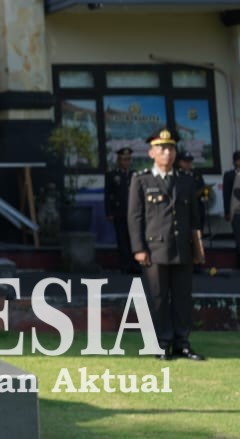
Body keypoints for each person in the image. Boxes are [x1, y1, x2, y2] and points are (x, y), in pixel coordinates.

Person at [127, 129, 206, 361]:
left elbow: (194, 217)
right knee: (159, 298)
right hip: (154, 249)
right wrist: (138, 248)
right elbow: (135, 217)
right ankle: (162, 342)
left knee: (182, 298)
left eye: (171, 148)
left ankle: (182, 343)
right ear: (151, 153)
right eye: (162, 149)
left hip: (182, 247)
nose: (167, 153)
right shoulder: (141, 180)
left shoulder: (186, 180)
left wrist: (197, 248)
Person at [103, 146, 137, 274]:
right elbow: (108, 195)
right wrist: (109, 212)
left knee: (134, 239)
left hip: (134, 213)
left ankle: (135, 265)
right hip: (120, 212)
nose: (126, 162)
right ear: (119, 160)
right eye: (124, 159)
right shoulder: (112, 175)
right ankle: (125, 265)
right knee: (122, 240)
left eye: (128, 159)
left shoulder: (135, 175)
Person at [224, 151, 240, 270]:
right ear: (235, 162)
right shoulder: (229, 175)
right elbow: (226, 194)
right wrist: (227, 212)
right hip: (236, 212)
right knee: (238, 239)